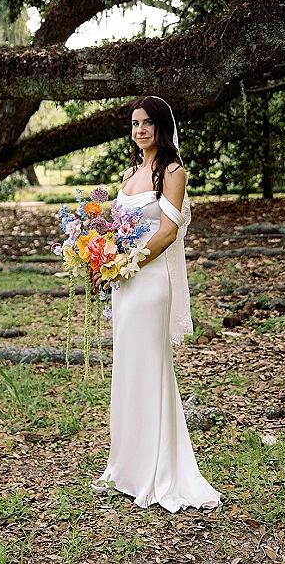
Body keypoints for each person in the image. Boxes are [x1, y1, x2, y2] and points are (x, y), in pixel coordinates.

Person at [91, 95, 221, 512]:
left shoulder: (173, 172)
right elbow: (114, 225)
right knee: (128, 369)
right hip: (125, 283)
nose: (140, 130)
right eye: (134, 123)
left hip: (149, 283)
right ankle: (127, 467)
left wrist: (123, 262)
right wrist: (97, 253)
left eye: (148, 123)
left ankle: (158, 471)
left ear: (162, 126)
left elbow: (166, 232)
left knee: (150, 368)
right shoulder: (130, 174)